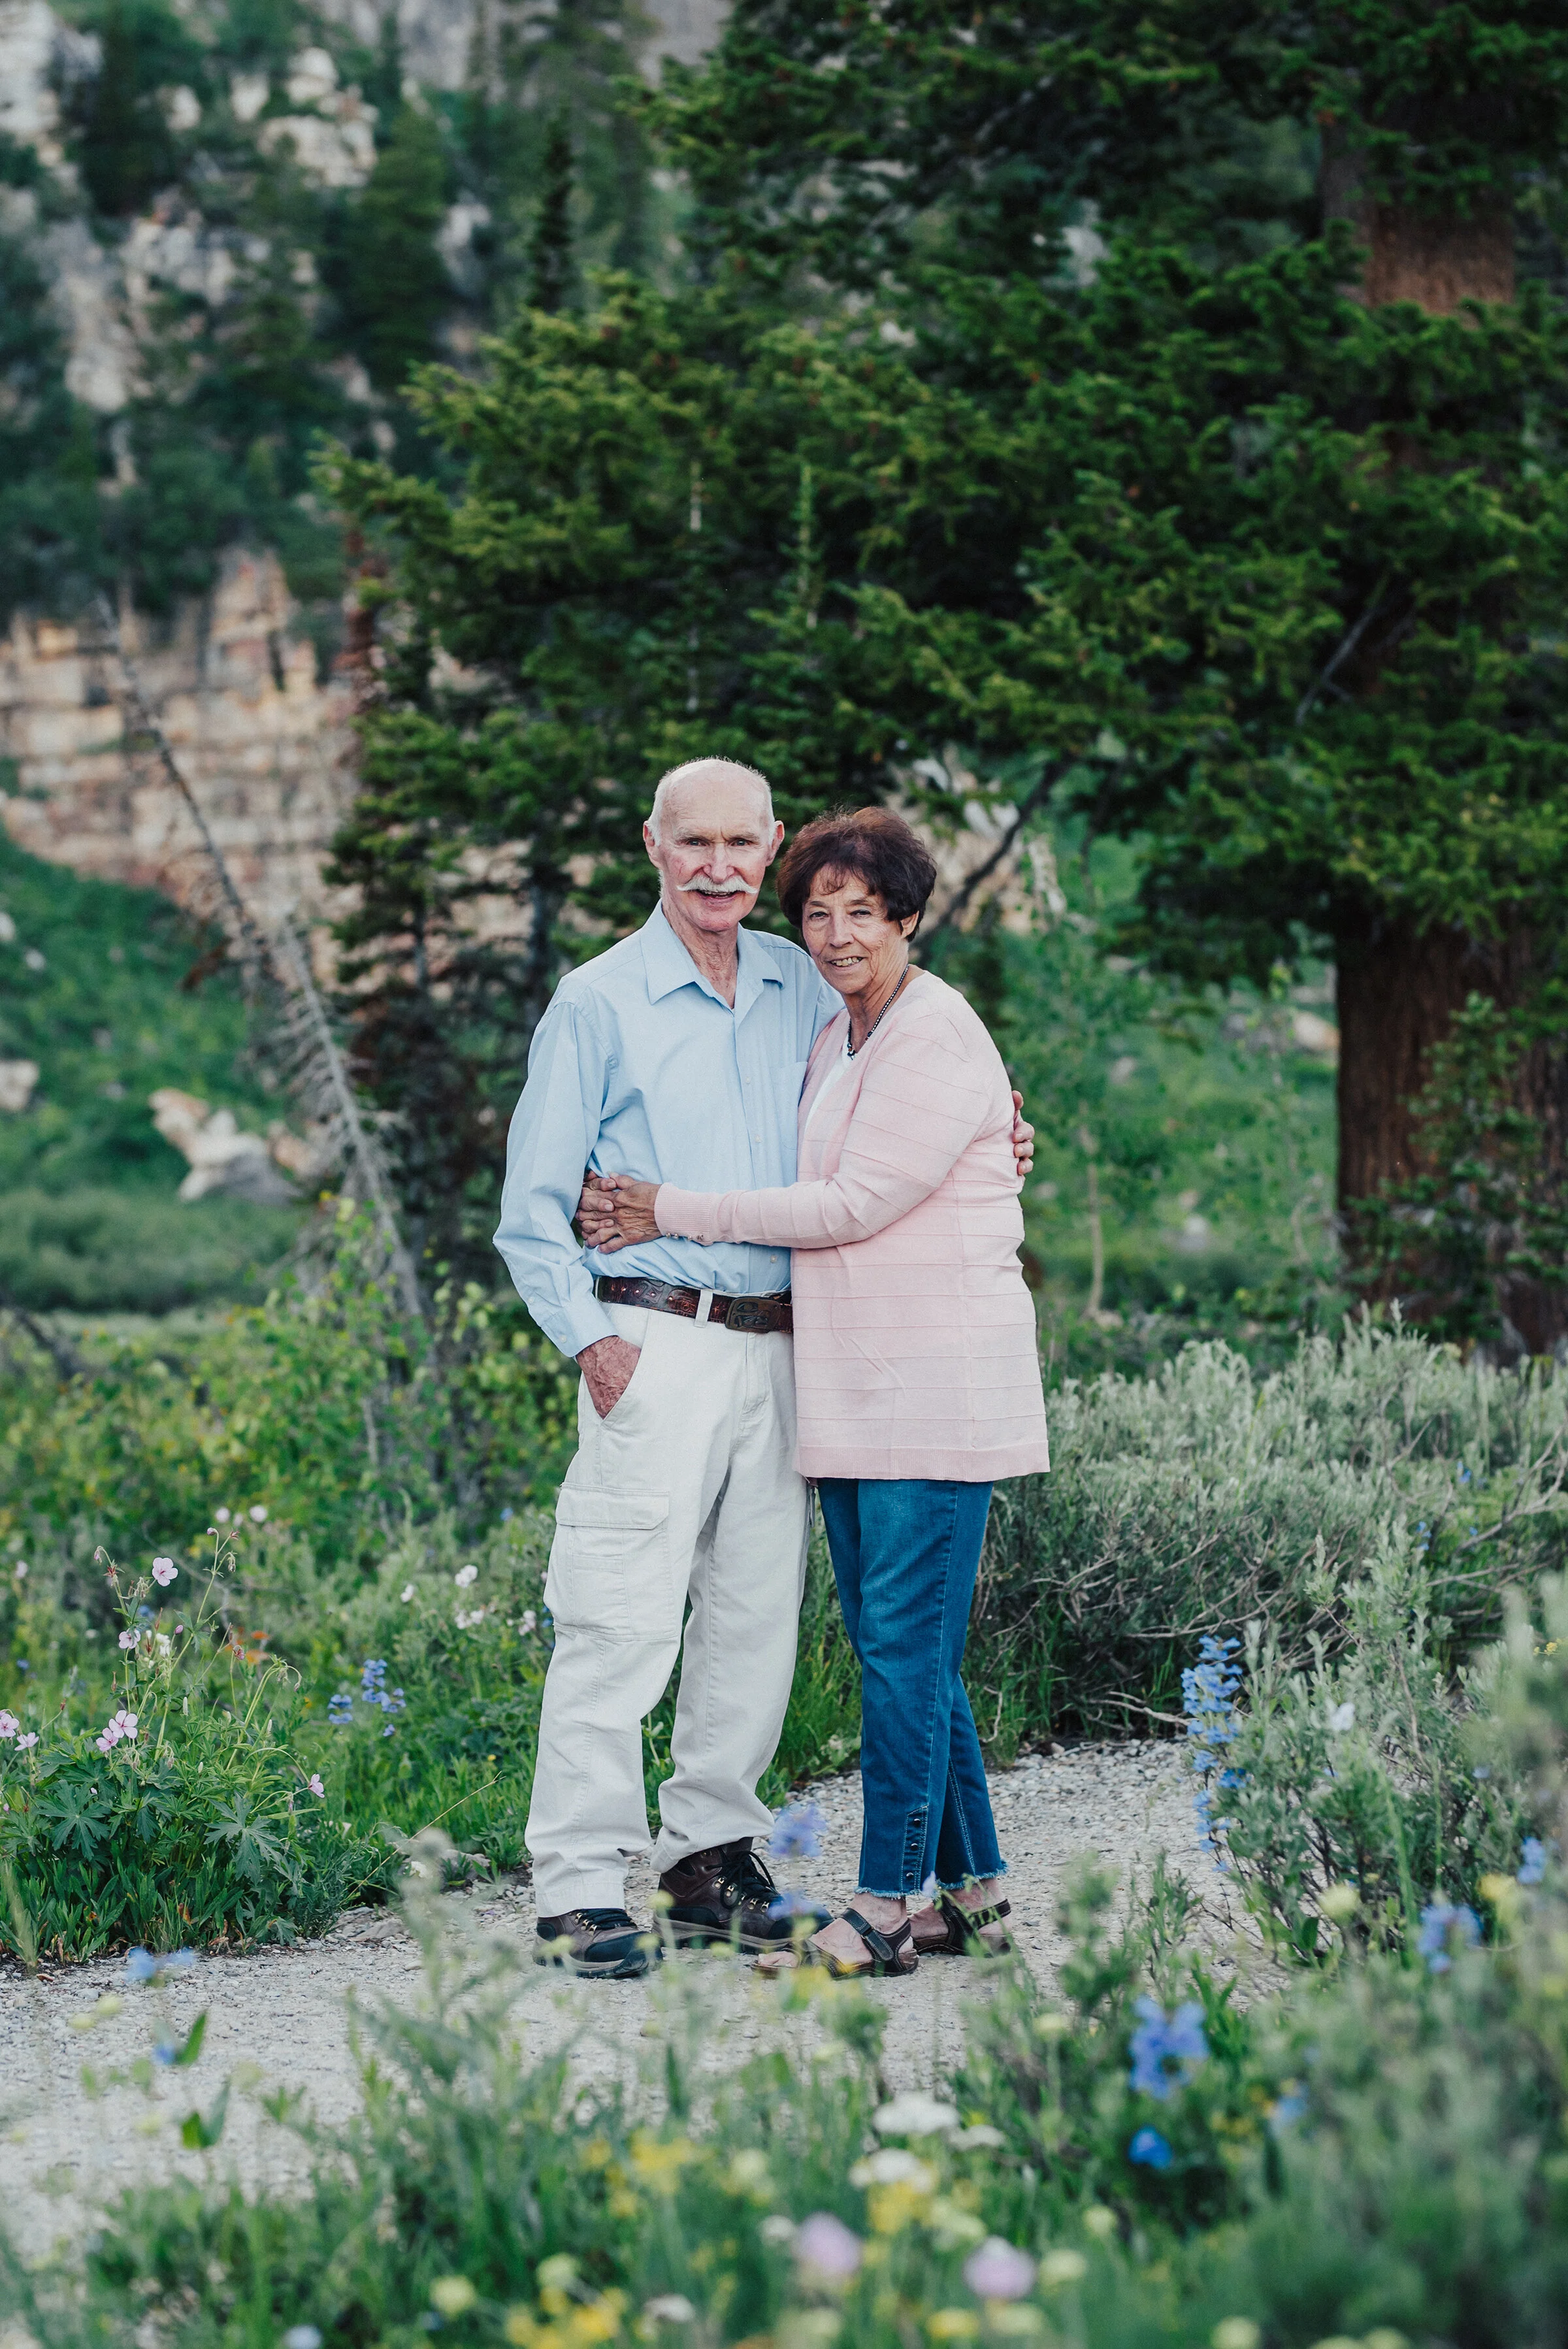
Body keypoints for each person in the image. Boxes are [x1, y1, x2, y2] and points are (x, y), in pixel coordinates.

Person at [495, 761, 1034, 1978]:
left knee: (753, 1621)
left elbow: (904, 1104)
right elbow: (533, 1211)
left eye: (743, 843)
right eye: (695, 842)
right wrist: (596, 1344)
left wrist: (1003, 1127)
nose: (719, 866)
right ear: (654, 845)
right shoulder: (599, 1002)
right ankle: (581, 1884)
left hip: (791, 1344)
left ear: (771, 844)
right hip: (657, 1333)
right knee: (617, 1616)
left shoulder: (809, 981)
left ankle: (710, 1860)